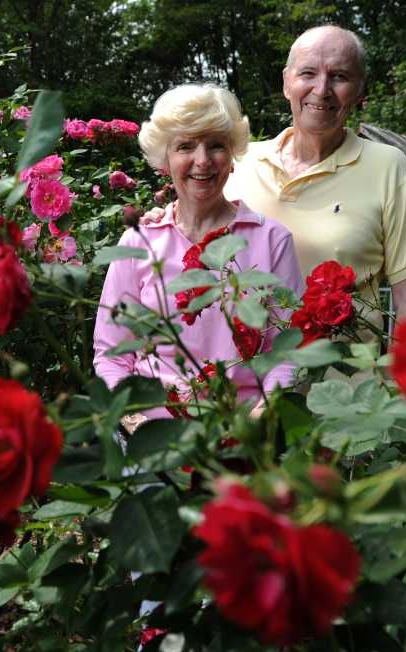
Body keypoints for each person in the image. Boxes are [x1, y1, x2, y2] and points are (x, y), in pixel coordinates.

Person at [145, 26, 406, 334]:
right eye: (308, 73)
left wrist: (398, 378)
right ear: (286, 82)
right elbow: (190, 232)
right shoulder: (238, 162)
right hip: (247, 377)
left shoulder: (387, 167)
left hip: (343, 377)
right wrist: (162, 220)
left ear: (359, 90)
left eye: (339, 76)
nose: (322, 89)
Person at [93, 84, 304, 430]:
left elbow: (288, 353)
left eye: (216, 145)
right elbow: (111, 353)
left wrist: (254, 424)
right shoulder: (138, 242)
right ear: (166, 160)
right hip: (151, 437)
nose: (203, 160)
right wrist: (134, 424)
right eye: (186, 146)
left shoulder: (272, 240)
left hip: (245, 436)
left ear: (232, 156)